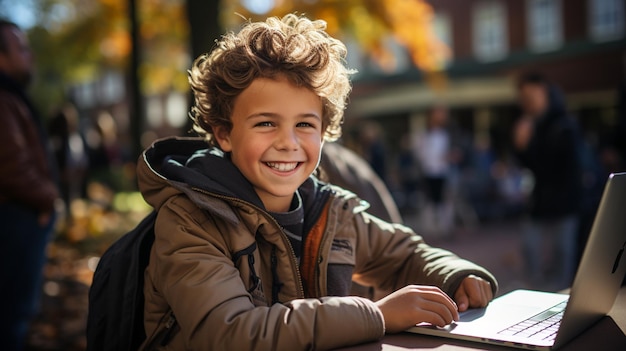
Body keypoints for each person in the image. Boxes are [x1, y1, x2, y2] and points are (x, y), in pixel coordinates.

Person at [136, 14, 497, 350]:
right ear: (225, 134)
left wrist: (456, 276)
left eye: (305, 125)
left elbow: (402, 255)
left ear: (325, 133)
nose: (288, 142)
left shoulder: (331, 211)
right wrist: (378, 315)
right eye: (266, 123)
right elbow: (230, 333)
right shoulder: (190, 221)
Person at [0, 19, 59, 351]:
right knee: (12, 316)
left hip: (20, 216)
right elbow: (11, 167)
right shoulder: (3, 99)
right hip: (16, 219)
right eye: (20, 48)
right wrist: (48, 200)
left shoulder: (11, 97)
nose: (29, 55)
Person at [512, 72, 583, 290]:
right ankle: (537, 293)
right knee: (530, 245)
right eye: (524, 97)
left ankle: (562, 300)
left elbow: (554, 166)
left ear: (544, 93)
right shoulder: (532, 125)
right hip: (541, 200)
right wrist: (521, 149)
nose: (528, 102)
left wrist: (526, 147)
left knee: (563, 253)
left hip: (564, 201)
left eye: (531, 95)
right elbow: (531, 166)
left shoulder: (563, 125)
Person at [412, 105, 453, 235]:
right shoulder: (423, 135)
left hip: (443, 172)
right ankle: (432, 229)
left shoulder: (446, 133)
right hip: (428, 172)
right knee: (429, 202)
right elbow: (420, 154)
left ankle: (443, 227)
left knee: (443, 201)